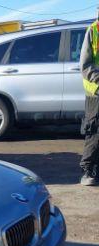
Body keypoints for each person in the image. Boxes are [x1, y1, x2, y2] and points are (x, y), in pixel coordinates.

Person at [80, 11, 99, 186]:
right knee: (94, 132)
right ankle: (88, 170)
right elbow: (85, 65)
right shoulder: (93, 31)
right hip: (96, 92)